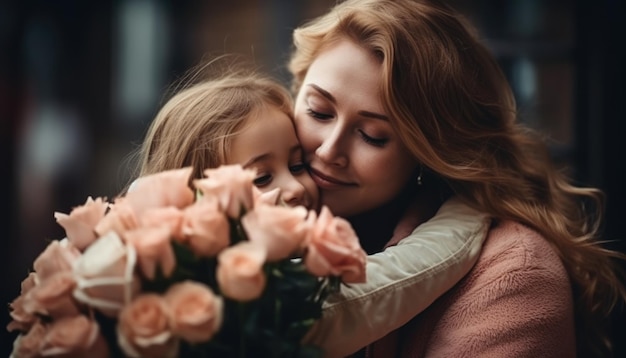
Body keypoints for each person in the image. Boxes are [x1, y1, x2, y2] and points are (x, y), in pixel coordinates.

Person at [287, 0, 626, 357]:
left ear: (430, 151)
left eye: (373, 135)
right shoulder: (241, 204)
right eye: (318, 111)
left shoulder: (515, 274)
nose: (328, 151)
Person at [127, 62, 492, 355]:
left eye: (297, 165)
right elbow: (402, 276)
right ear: (192, 199)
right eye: (261, 178)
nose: (296, 188)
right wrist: (471, 202)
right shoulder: (245, 294)